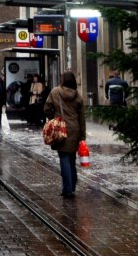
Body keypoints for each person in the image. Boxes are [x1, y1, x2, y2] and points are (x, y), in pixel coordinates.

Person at [44, 70, 86, 198]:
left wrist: (53, 117)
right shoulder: (78, 96)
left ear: (62, 80)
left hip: (60, 129)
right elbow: (82, 118)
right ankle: (72, 186)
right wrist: (82, 136)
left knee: (64, 158)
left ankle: (67, 189)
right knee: (71, 158)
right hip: (75, 129)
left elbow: (46, 109)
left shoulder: (55, 92)